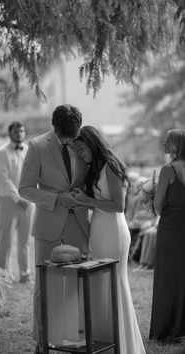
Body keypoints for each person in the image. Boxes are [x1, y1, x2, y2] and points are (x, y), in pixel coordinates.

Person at [19, 104, 89, 354]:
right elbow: (25, 189)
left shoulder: (83, 144)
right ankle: (42, 341)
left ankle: (77, 338)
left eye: (73, 135)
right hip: (48, 226)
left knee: (79, 286)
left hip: (79, 226)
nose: (69, 140)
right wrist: (58, 199)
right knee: (44, 287)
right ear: (54, 126)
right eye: (64, 136)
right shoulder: (37, 146)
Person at [73, 125, 146, 354]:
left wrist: (87, 200)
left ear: (93, 143)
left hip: (113, 230)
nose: (80, 153)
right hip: (99, 229)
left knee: (114, 283)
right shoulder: (92, 168)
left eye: (82, 148)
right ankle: (105, 343)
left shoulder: (111, 167)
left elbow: (118, 206)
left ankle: (124, 345)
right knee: (100, 286)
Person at [149, 128, 185, 343]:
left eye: (167, 143)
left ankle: (166, 330)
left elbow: (158, 204)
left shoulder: (167, 170)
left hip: (171, 228)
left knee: (167, 279)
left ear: (177, 145)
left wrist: (165, 213)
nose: (164, 146)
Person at [0, 121, 32, 283]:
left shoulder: (29, 151)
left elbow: (33, 175)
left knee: (24, 241)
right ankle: (4, 276)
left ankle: (25, 274)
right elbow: (4, 180)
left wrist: (30, 197)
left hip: (28, 202)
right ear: (10, 133)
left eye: (22, 131)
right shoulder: (2, 153)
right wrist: (18, 198)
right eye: (16, 132)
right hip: (8, 201)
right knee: (6, 240)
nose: (19, 134)